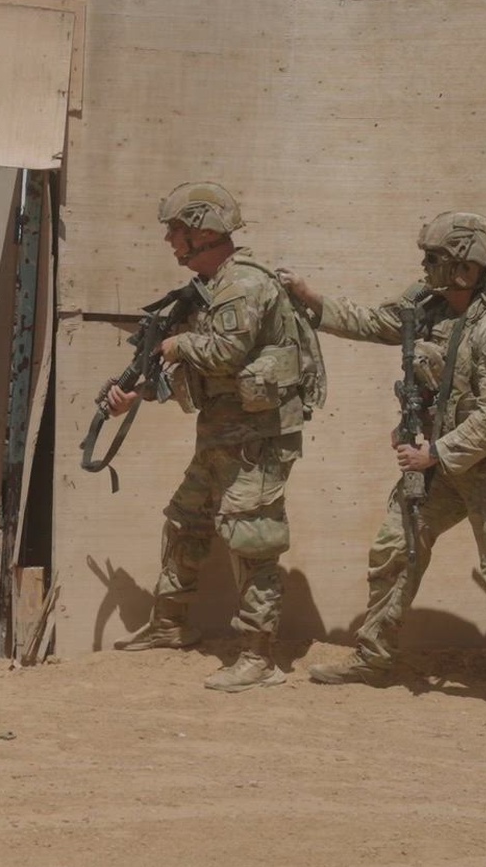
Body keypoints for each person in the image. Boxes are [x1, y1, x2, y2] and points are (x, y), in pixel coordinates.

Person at [278, 211, 486, 718]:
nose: (424, 266)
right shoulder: (428, 309)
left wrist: (433, 453)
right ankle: (374, 656)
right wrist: (310, 297)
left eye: (435, 259)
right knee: (395, 549)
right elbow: (375, 322)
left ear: (465, 270)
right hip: (442, 464)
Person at [105, 182, 323, 692]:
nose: (169, 241)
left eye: (175, 231)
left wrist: (180, 343)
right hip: (222, 434)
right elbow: (196, 372)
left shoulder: (242, 284)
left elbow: (224, 353)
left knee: (252, 541)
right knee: (186, 521)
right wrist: (136, 394)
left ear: (202, 231)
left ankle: (258, 658)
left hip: (259, 440)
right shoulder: (207, 288)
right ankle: (170, 624)